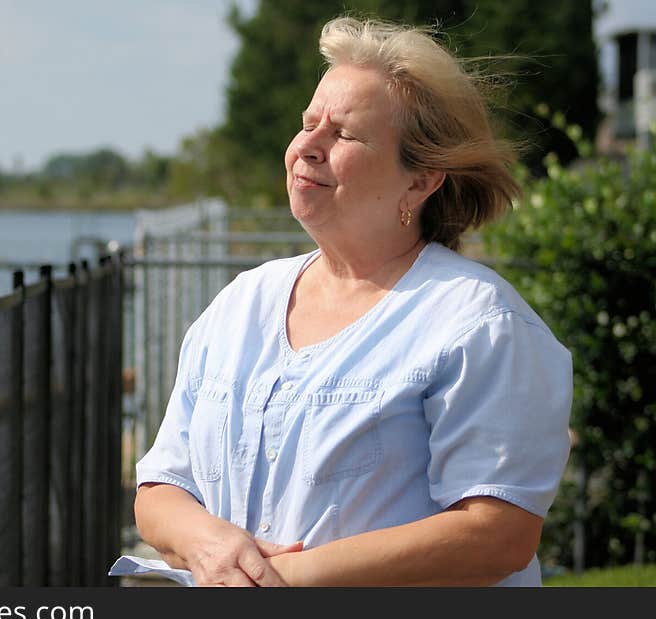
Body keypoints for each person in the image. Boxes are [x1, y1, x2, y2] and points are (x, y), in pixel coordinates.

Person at [133, 16, 573, 586]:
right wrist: (210, 544)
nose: (307, 147)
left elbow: (499, 532)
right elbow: (160, 491)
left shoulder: (479, 323)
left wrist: (286, 580)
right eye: (308, 123)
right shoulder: (242, 303)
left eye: (343, 134)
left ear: (421, 181)